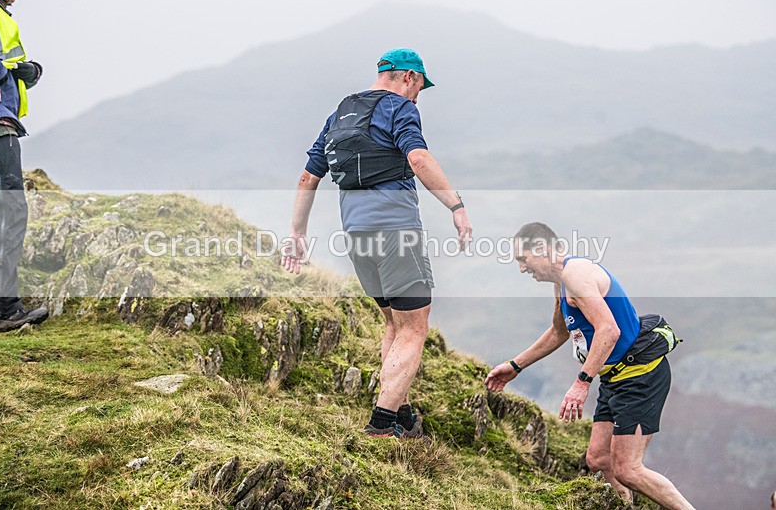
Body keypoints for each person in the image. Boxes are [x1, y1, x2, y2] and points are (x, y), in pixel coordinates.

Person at [282, 48, 472, 439]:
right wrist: (456, 205)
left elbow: (308, 178)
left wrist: (296, 234)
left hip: (356, 233)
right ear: (407, 77)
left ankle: (401, 414)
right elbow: (418, 159)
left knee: (393, 321)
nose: (419, 96)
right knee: (414, 328)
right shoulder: (399, 109)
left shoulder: (341, 113)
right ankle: (382, 425)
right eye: (420, 86)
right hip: (395, 230)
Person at [485, 222, 694, 510]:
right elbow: (559, 332)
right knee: (597, 459)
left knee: (628, 469)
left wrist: (581, 383)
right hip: (615, 377)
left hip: (640, 374)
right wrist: (515, 365)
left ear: (542, 250)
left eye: (523, 259)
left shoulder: (576, 275)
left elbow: (609, 330)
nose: (522, 268)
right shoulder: (562, 284)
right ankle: (625, 506)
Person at [0, 0, 48, 333]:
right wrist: (1, 71)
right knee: (8, 213)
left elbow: (3, 62)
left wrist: (26, 73)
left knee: (1, 214)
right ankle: (0, 312)